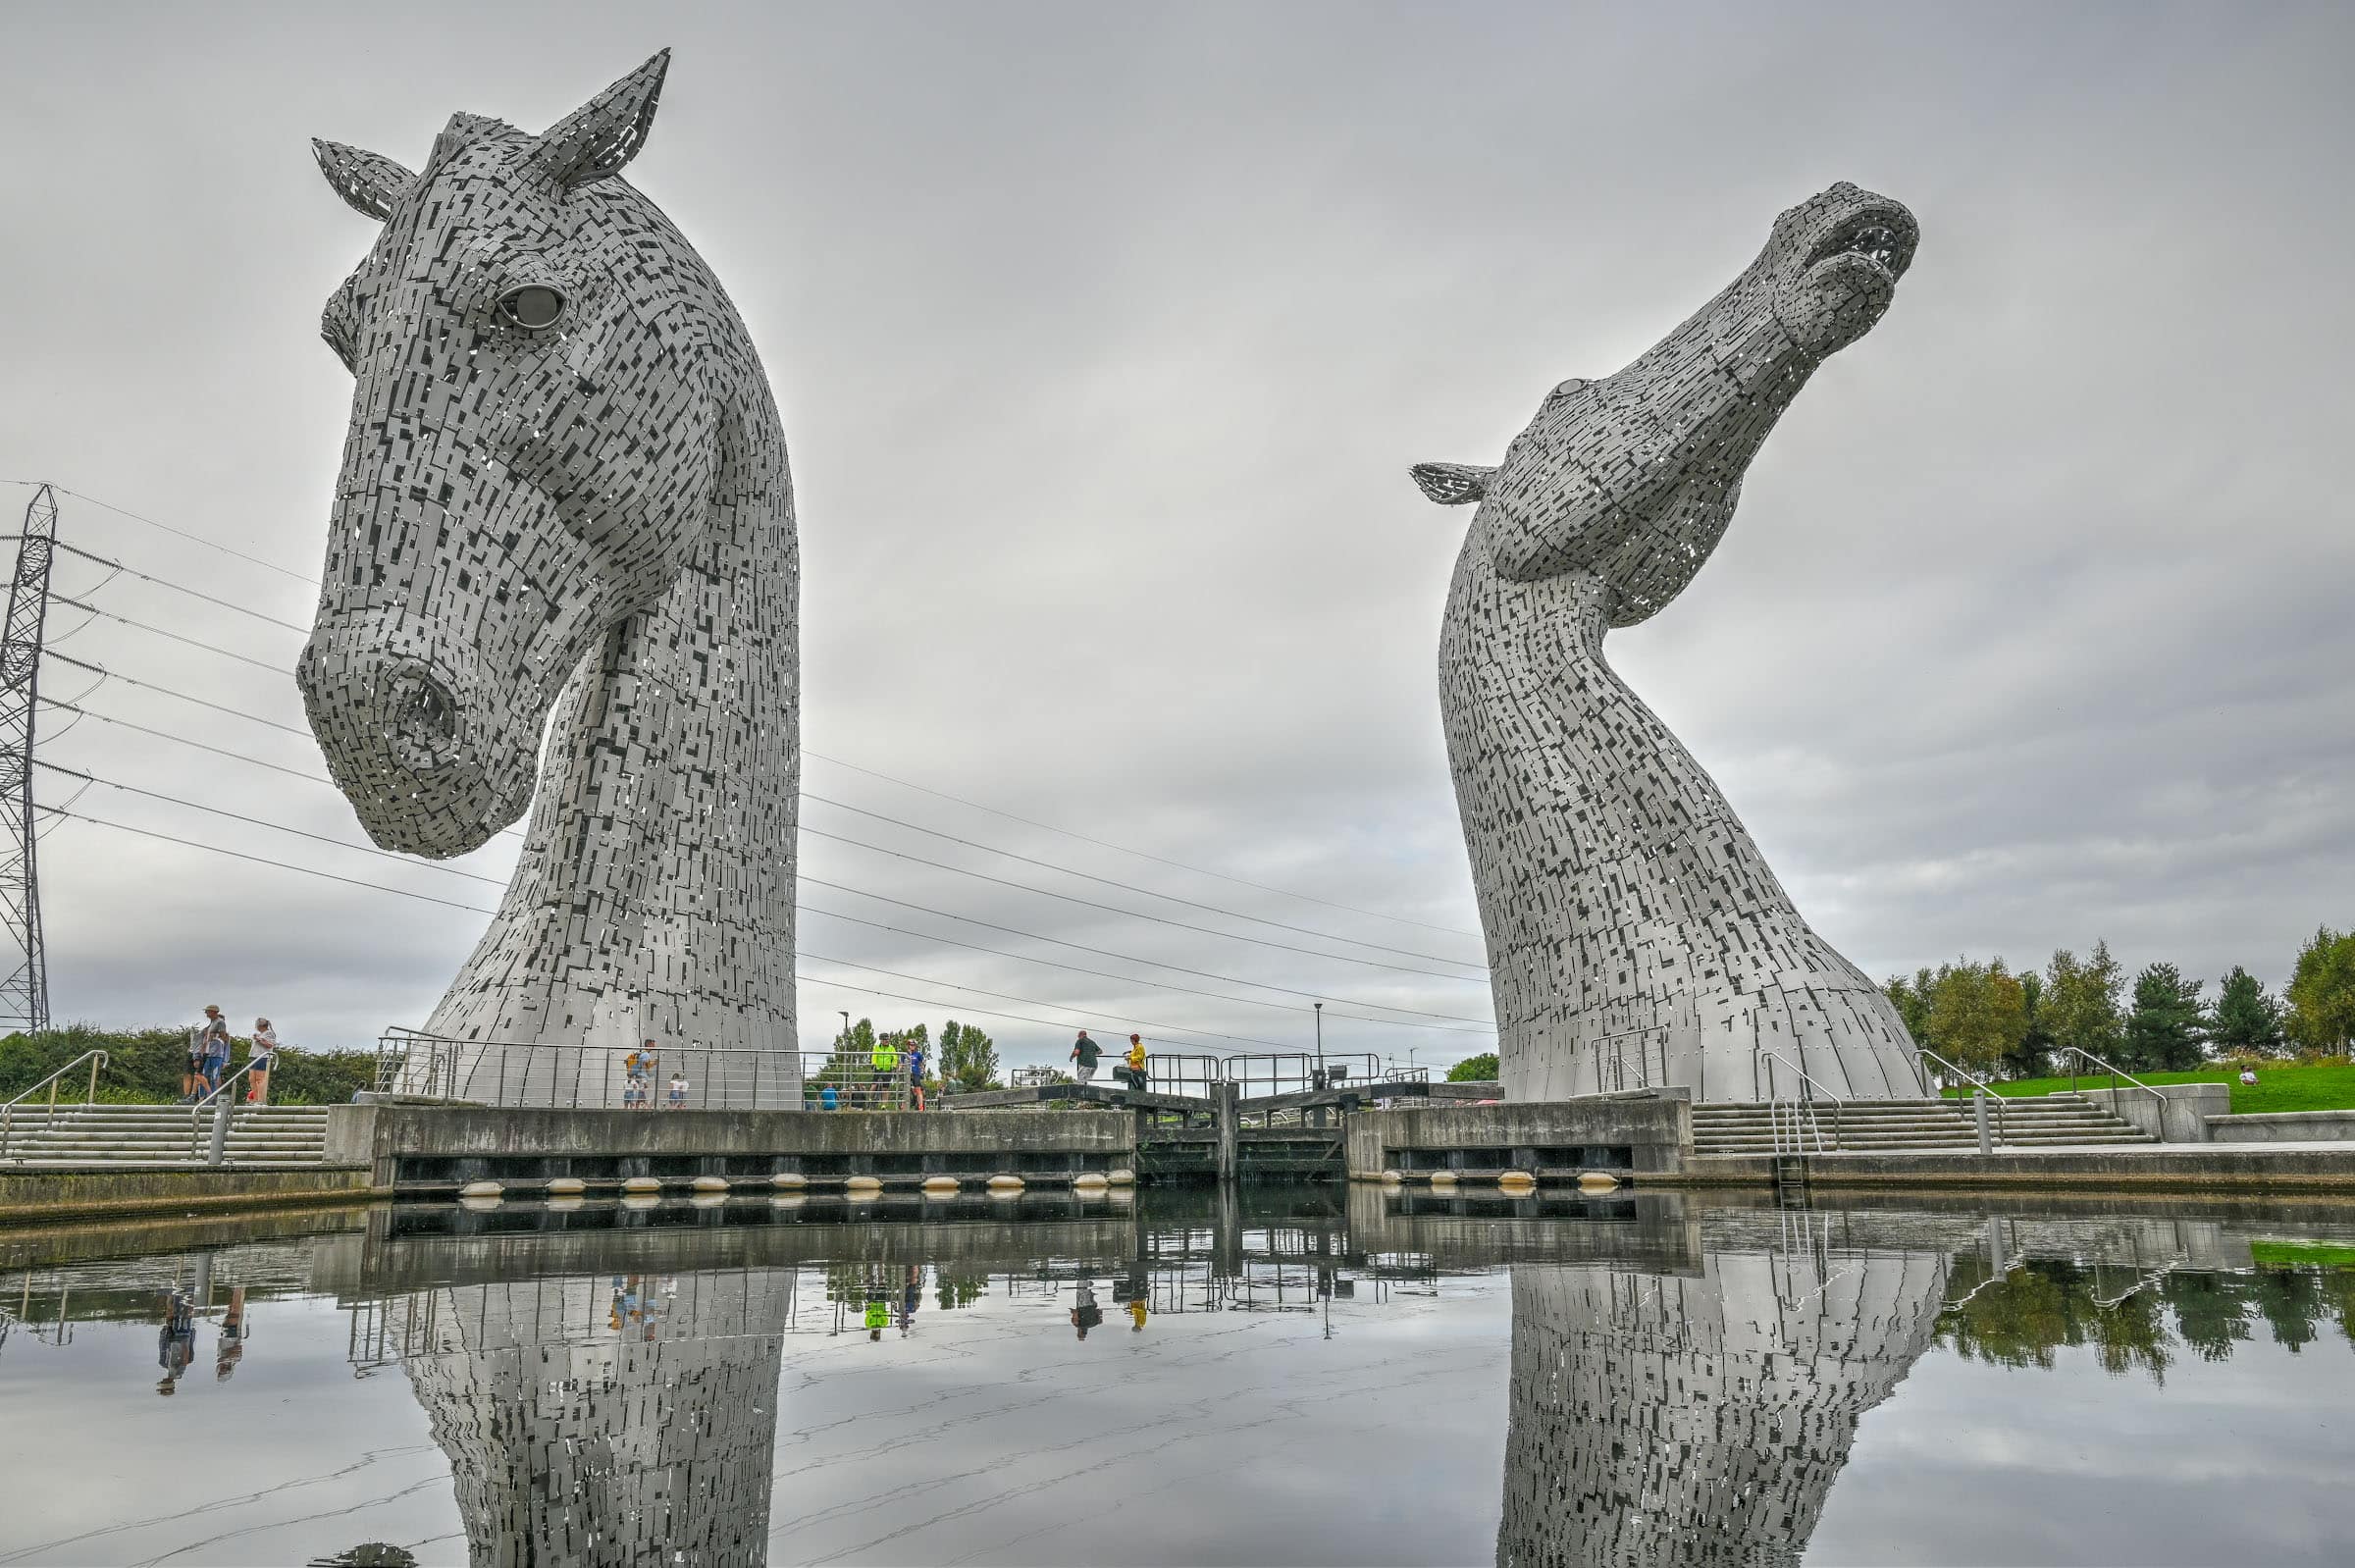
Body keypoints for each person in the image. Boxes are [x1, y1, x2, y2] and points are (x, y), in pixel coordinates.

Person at [185, 1005, 230, 1102]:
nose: (206, 1013)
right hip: (207, 1053)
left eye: (208, 1011)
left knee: (214, 1077)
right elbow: (206, 1037)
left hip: (216, 1054)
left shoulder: (220, 1022)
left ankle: (212, 1098)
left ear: (214, 1012)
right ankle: (203, 1099)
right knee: (202, 1075)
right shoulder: (212, 1023)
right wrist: (202, 1049)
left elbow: (224, 1038)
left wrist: (214, 1037)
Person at [246, 1019, 279, 1106]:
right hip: (254, 1057)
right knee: (252, 1079)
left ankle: (261, 1099)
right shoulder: (260, 1034)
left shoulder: (269, 1033)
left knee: (260, 1079)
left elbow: (270, 1044)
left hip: (263, 1057)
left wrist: (259, 1040)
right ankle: (255, 1099)